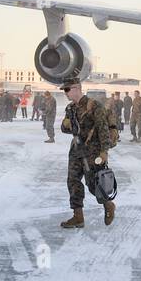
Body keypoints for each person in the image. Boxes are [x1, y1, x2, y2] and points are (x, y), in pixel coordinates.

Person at [59, 74, 116, 228]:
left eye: (67, 89)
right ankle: (78, 217)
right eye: (64, 90)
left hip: (93, 151)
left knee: (93, 183)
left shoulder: (94, 106)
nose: (65, 93)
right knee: (73, 181)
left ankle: (108, 204)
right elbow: (65, 129)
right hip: (76, 150)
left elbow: (103, 129)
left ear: (77, 88)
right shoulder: (70, 108)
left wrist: (104, 152)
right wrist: (66, 125)